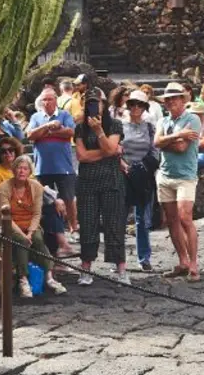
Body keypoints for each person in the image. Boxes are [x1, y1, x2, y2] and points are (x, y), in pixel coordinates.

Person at [74, 88, 128, 285]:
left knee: (115, 224)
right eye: (90, 103)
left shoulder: (115, 125)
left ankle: (121, 268)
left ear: (104, 105)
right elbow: (82, 156)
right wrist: (109, 152)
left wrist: (99, 132)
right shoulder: (80, 128)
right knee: (87, 224)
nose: (94, 106)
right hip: (87, 182)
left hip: (111, 180)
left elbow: (111, 147)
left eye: (97, 103)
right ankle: (86, 268)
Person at [0, 155, 66, 297]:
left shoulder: (35, 186)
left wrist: (30, 232)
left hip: (30, 224)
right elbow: (6, 217)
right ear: (13, 170)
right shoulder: (4, 187)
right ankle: (23, 279)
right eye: (18, 168)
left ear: (30, 171)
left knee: (38, 239)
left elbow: (37, 214)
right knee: (23, 242)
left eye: (25, 168)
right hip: (11, 225)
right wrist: (24, 235)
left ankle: (49, 277)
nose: (21, 171)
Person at [153, 83, 201, 279]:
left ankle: (194, 263)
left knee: (185, 218)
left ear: (183, 100)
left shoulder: (193, 119)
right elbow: (156, 143)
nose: (171, 101)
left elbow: (181, 148)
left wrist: (167, 141)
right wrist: (179, 135)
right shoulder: (163, 121)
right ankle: (183, 261)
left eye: (175, 98)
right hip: (165, 175)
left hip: (185, 176)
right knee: (171, 219)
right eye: (168, 99)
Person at [27, 90, 78, 254]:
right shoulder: (36, 117)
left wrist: (47, 132)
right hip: (42, 166)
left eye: (50, 99)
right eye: (44, 100)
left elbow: (71, 132)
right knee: (47, 202)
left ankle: (73, 228)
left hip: (64, 165)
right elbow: (30, 135)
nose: (47, 102)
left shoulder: (64, 114)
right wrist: (48, 126)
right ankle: (53, 233)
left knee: (68, 198)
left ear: (56, 100)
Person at [122, 89, 158, 272]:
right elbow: (114, 148)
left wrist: (144, 167)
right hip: (123, 173)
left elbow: (154, 150)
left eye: (140, 105)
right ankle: (118, 259)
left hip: (143, 174)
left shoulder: (149, 127)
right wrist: (122, 165)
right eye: (132, 104)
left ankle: (144, 257)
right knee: (119, 218)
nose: (136, 108)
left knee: (142, 219)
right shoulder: (120, 126)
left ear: (144, 107)